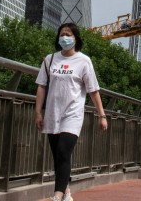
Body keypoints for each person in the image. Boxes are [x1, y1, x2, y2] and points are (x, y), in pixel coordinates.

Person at [35, 23, 107, 201]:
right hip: (53, 113)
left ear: (76, 38)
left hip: (73, 113)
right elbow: (41, 86)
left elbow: (93, 90)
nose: (64, 37)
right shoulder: (50, 59)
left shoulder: (84, 61)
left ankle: (57, 195)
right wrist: (38, 112)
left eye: (68, 34)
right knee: (57, 156)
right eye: (61, 34)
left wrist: (102, 115)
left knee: (63, 151)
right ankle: (66, 191)